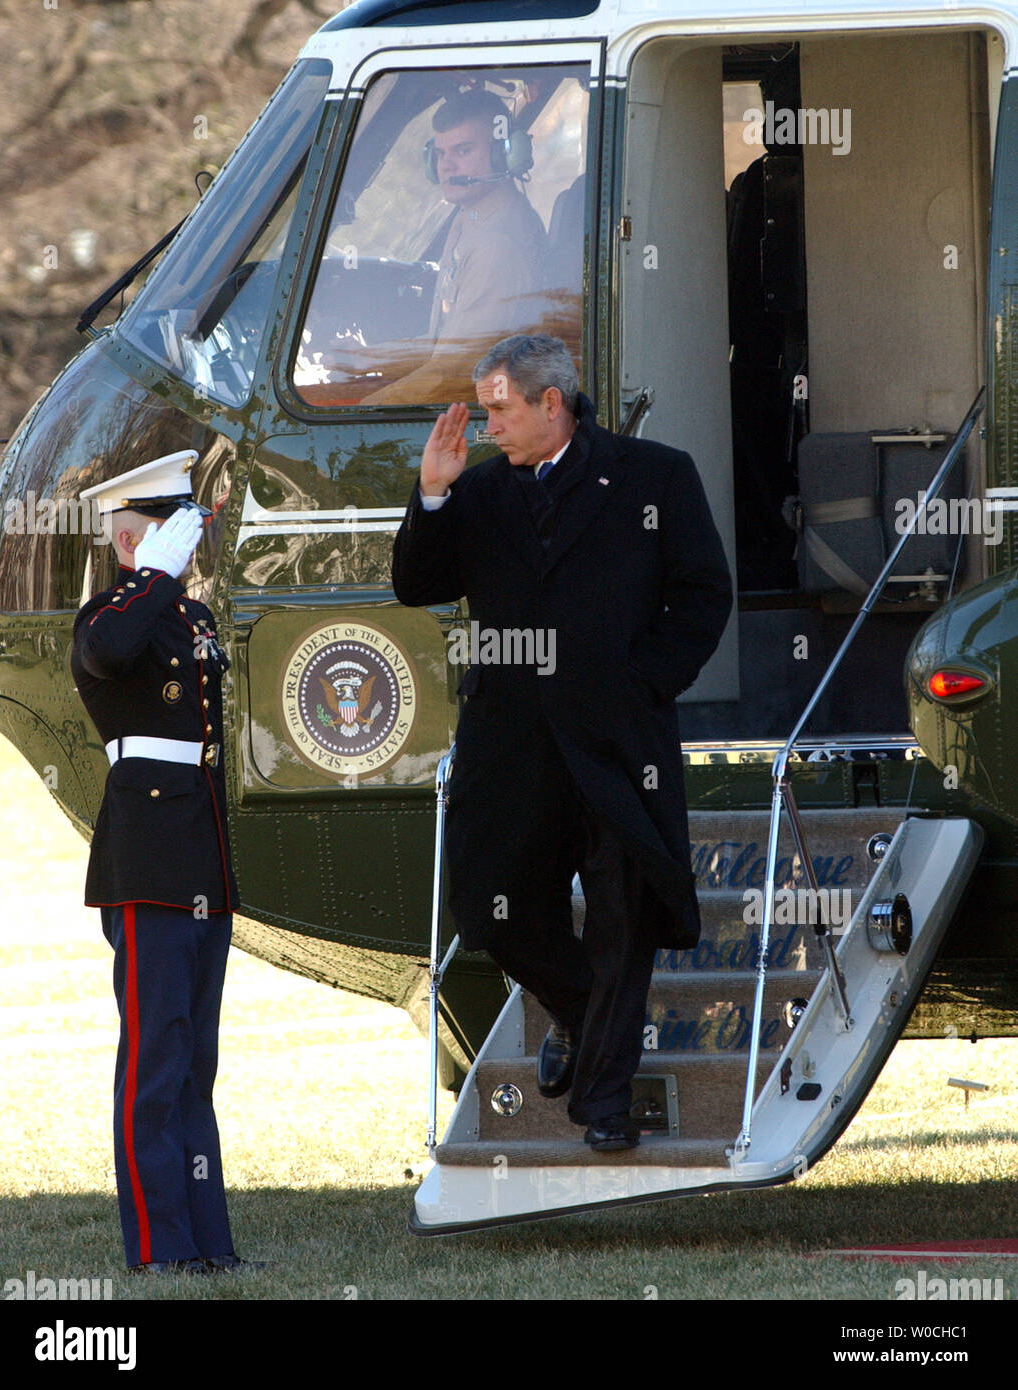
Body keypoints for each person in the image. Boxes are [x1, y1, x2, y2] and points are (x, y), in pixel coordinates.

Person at [392, 335, 733, 1150]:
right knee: (493, 909)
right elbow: (418, 584)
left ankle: (605, 1106)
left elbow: (702, 593)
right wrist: (432, 495)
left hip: (617, 741)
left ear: (553, 402)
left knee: (623, 915)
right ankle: (587, 1023)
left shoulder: (655, 476)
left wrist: (642, 682)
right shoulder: (476, 491)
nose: (488, 425)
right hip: (510, 744)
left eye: (499, 408)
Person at [72, 451, 245, 1274]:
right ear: (133, 541)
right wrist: (155, 577)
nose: (191, 547)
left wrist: (170, 585)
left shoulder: (191, 618)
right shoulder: (113, 613)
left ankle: (210, 1244)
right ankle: (157, 1247)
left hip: (201, 859)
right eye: (174, 533)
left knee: (195, 1064)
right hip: (146, 862)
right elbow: (108, 654)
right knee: (153, 1060)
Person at [362, 90, 548, 405]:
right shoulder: (472, 217)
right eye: (439, 154)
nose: (446, 166)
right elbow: (445, 347)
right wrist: (367, 359)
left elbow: (454, 370)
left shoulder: (497, 246)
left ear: (503, 154)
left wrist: (364, 411)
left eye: (462, 151)